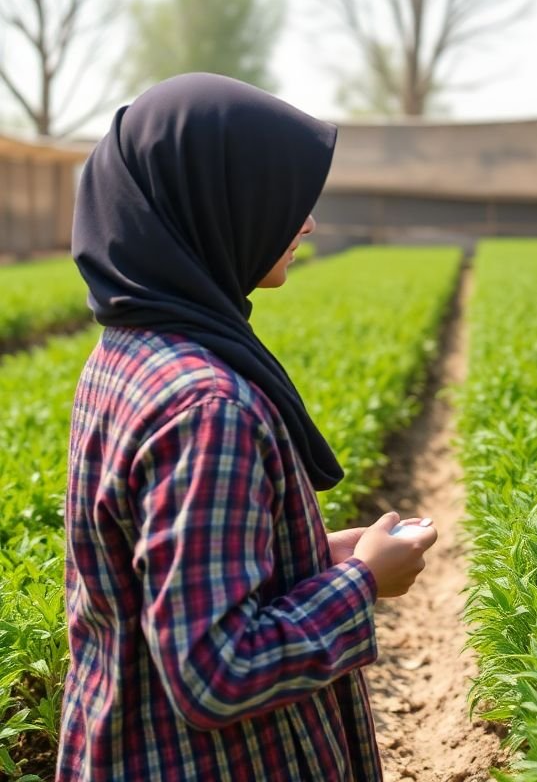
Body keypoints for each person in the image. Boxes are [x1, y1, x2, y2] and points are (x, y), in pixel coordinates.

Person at [58, 73, 437, 781]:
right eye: (281, 197)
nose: (307, 223)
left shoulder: (130, 353)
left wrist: (310, 558)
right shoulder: (207, 409)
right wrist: (360, 582)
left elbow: (162, 578)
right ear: (214, 204)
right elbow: (215, 671)